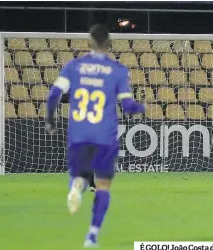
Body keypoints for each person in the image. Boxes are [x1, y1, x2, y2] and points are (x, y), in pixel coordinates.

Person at [45, 24, 145, 248]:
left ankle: (76, 186)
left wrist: (50, 121)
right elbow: (128, 106)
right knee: (103, 186)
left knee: (79, 174)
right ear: (109, 45)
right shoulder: (117, 71)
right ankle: (92, 235)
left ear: (89, 44)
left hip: (79, 134)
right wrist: (141, 107)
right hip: (105, 135)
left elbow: (53, 96)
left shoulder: (74, 67)